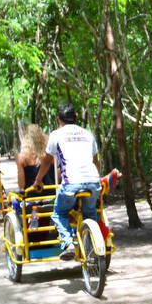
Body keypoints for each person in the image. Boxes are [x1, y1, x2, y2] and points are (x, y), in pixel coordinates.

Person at [33, 102, 101, 260]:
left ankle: (69, 244)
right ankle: (91, 249)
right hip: (93, 181)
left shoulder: (56, 135)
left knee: (59, 214)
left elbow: (47, 161)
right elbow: (96, 162)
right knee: (90, 214)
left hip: (71, 183)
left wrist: (38, 180)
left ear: (58, 118)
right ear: (76, 116)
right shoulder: (88, 134)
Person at [15, 123, 55, 191]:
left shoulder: (21, 157)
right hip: (51, 194)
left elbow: (21, 185)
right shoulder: (50, 154)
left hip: (31, 195)